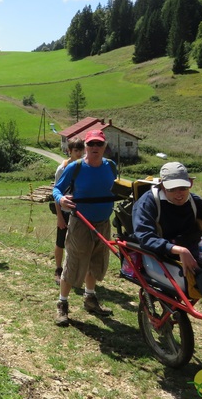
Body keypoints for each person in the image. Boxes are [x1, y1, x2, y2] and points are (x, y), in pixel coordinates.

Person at [52, 130, 117, 327]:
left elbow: (116, 187)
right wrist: (61, 199)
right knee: (74, 262)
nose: (95, 148)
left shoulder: (111, 166)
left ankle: (90, 299)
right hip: (81, 222)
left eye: (99, 144)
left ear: (105, 146)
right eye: (91, 144)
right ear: (86, 147)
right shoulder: (76, 167)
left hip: (103, 223)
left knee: (96, 262)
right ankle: (62, 304)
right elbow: (57, 189)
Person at [133, 162, 202, 276]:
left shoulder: (196, 202)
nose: (179, 193)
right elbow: (144, 237)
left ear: (190, 183)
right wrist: (179, 250)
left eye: (183, 188)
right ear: (162, 186)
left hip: (196, 253)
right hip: (164, 257)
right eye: (172, 189)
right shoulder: (148, 203)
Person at [53, 137, 86, 285]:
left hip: (80, 211)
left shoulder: (86, 167)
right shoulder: (63, 168)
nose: (79, 153)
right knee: (61, 241)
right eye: (76, 150)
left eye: (81, 150)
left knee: (78, 243)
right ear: (70, 151)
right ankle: (58, 270)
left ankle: (75, 271)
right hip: (65, 210)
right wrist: (59, 216)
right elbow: (56, 192)